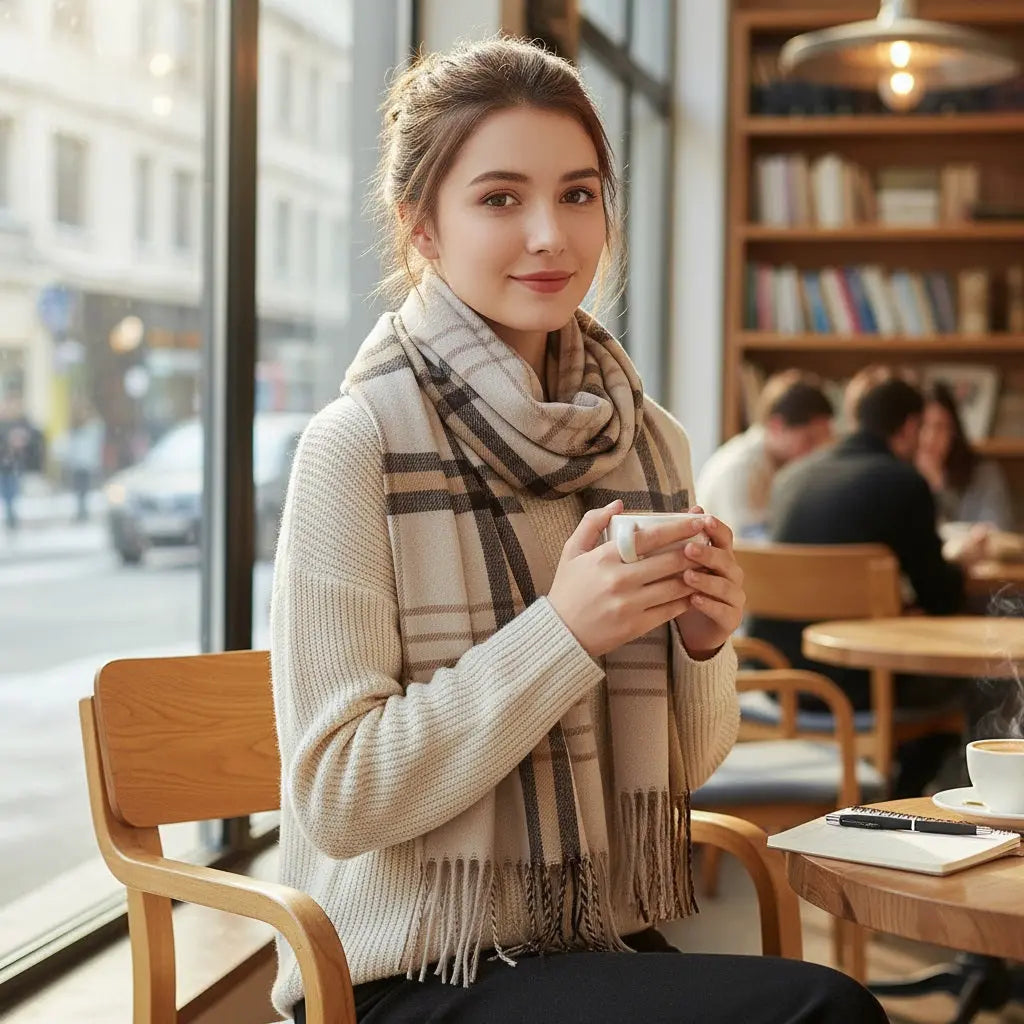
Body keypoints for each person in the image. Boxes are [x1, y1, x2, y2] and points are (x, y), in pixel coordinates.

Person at [271, 37, 886, 1024]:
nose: (551, 236)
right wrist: (562, 635)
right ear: (420, 227)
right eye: (500, 198)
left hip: (590, 934)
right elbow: (341, 798)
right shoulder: (355, 448)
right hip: (409, 966)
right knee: (819, 1011)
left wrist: (703, 646)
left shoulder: (648, 443)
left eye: (579, 193)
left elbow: (691, 759)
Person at [756, 377, 986, 796]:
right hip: (858, 690)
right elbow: (941, 599)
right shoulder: (902, 482)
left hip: (779, 680)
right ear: (910, 427)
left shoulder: (792, 476)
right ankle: (906, 797)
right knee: (977, 683)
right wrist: (957, 564)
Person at [696, 370, 833, 540]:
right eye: (809, 440)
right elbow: (750, 547)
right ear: (776, 426)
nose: (817, 453)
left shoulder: (780, 464)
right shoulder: (741, 468)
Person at [916, 380, 1013, 532]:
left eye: (940, 427)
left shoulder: (984, 474)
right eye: (922, 425)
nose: (930, 437)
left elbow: (998, 531)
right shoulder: (895, 475)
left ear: (954, 432)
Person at [0, 393, 43, 532]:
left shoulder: (21, 422)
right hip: (4, 461)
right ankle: (10, 514)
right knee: (6, 490)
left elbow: (32, 436)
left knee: (12, 490)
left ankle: (11, 515)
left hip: (14, 462)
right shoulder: (5, 423)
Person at [58, 402, 105, 522]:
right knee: (79, 489)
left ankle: (83, 512)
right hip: (77, 463)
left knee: (83, 489)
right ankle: (81, 511)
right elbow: (70, 444)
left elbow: (95, 445)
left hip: (86, 463)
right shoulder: (76, 427)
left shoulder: (93, 427)